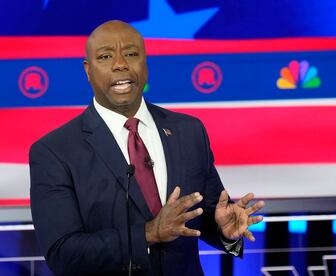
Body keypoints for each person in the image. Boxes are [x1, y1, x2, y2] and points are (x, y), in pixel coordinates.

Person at [29, 20, 265, 276]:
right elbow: (64, 254)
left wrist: (222, 229)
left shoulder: (188, 131)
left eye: (131, 54)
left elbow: (202, 214)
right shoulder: (55, 151)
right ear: (88, 70)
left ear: (145, 64)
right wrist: (150, 233)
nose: (121, 64)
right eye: (106, 56)